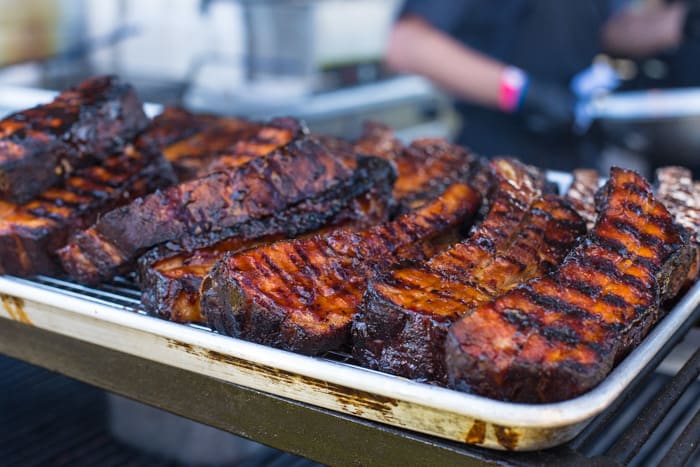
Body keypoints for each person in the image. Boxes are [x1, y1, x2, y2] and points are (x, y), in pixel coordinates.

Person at [385, 0, 699, 170]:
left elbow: (613, 31)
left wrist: (682, 21)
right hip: (495, 158)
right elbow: (408, 45)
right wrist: (523, 93)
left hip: (577, 157)